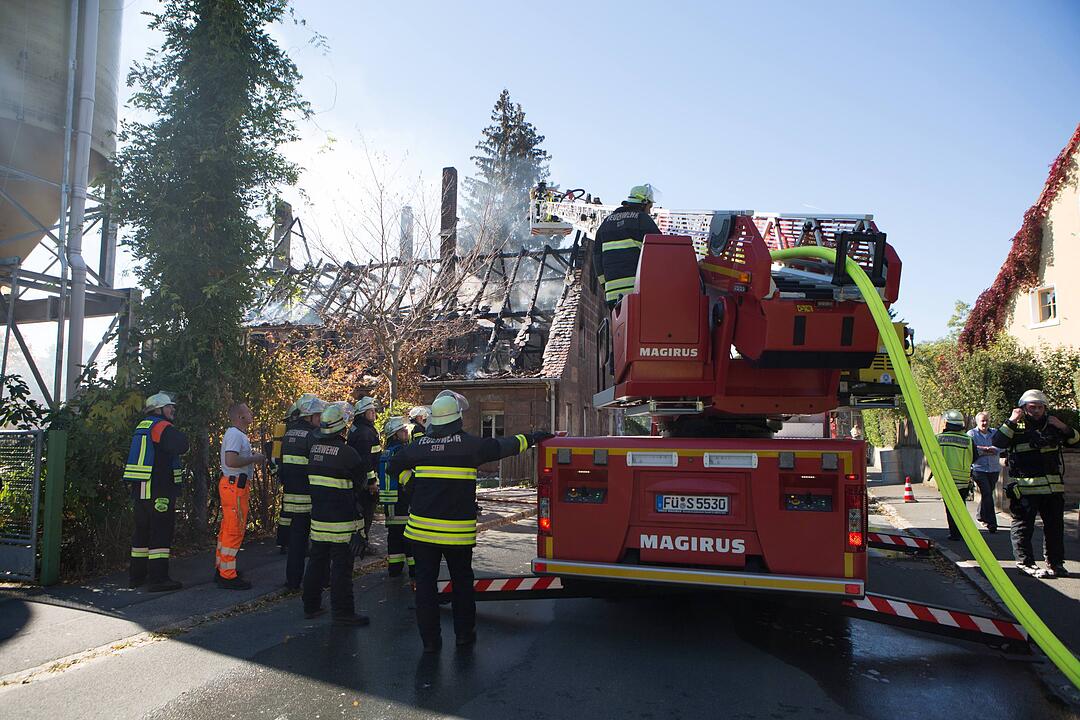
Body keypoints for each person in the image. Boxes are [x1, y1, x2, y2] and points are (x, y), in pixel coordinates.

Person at [389, 390, 552, 653]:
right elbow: (504, 446)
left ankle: (430, 643)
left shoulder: (418, 447)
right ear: (456, 419)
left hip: (420, 532)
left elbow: (392, 466)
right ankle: (464, 635)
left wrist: (412, 484)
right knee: (462, 584)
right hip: (457, 535)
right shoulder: (470, 446)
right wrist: (532, 438)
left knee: (426, 587)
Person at [992, 389, 1079, 579]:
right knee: (1023, 527)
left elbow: (1075, 441)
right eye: (1033, 407)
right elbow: (998, 441)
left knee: (1055, 528)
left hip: (1053, 489)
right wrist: (1011, 420)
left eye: (1040, 407)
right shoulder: (1016, 426)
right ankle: (1025, 563)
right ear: (1024, 408)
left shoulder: (1053, 425)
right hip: (1024, 490)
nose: (1037, 410)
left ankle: (1056, 563)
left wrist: (1064, 427)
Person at [302, 404, 371, 626]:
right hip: (342, 524)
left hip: (319, 521)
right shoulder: (348, 454)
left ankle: (310, 606)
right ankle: (343, 612)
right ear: (342, 427)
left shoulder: (313, 450)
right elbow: (360, 486)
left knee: (316, 564)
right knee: (341, 569)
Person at [123, 392, 189, 592]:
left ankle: (137, 576)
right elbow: (181, 445)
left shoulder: (143, 426)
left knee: (141, 533)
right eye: (169, 407)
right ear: (158, 410)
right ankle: (158, 579)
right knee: (161, 531)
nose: (172, 410)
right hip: (159, 488)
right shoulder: (161, 426)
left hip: (141, 488)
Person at [215, 402, 266, 590]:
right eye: (247, 411)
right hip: (235, 487)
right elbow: (231, 460)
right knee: (234, 530)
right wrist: (254, 458)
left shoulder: (236, 434)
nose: (251, 413)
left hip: (233, 485)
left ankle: (222, 569)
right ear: (240, 416)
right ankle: (227, 576)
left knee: (228, 528)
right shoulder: (236, 435)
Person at [279, 393, 327, 589]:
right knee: (319, 542)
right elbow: (318, 466)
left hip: (291, 498)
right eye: (317, 416)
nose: (320, 420)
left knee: (296, 543)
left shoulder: (288, 433)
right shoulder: (312, 436)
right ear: (308, 417)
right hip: (310, 498)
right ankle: (322, 580)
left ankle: (292, 581)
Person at [591, 184, 660, 307]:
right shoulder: (643, 220)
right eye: (650, 206)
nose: (649, 211)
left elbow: (597, 262)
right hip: (638, 292)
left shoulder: (605, 224)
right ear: (643, 203)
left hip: (613, 297)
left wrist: (607, 287)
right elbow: (660, 253)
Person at [378, 416, 415, 581]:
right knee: (409, 537)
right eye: (402, 430)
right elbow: (406, 476)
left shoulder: (386, 451)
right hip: (402, 499)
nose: (406, 432)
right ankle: (414, 569)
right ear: (394, 435)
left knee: (394, 537)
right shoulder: (401, 451)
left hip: (389, 502)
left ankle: (394, 568)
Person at [934, 410, 977, 541]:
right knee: (961, 505)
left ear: (946, 423)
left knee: (950, 507)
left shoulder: (938, 439)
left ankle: (955, 534)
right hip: (963, 479)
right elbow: (975, 457)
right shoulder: (968, 440)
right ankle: (962, 530)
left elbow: (932, 457)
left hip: (947, 479)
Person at [346, 396, 381, 548]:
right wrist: (372, 482)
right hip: (365, 481)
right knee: (366, 512)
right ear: (362, 414)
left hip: (359, 478)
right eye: (370, 411)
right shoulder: (365, 433)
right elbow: (366, 460)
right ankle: (362, 543)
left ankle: (361, 541)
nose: (374, 413)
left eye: (374, 411)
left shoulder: (358, 428)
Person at [968, 411, 1002, 533]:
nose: (985, 423)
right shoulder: (971, 434)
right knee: (987, 493)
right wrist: (988, 449)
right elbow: (972, 449)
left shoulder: (995, 433)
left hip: (993, 469)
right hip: (979, 469)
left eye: (986, 420)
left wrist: (986, 450)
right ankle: (991, 523)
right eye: (982, 420)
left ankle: (980, 515)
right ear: (977, 422)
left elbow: (1001, 447)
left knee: (987, 494)